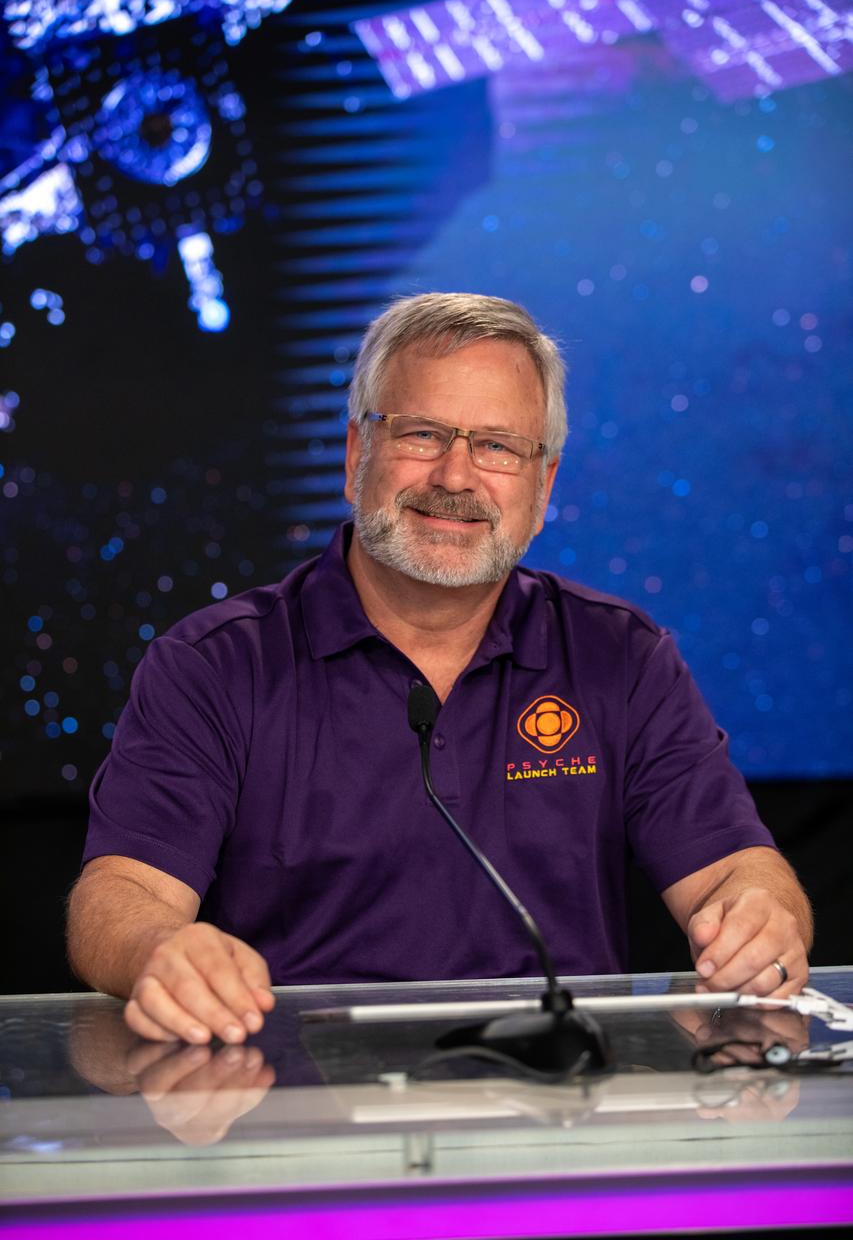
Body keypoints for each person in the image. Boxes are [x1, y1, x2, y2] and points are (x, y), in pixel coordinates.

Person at [67, 292, 812, 1047]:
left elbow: (732, 871)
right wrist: (158, 951)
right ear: (357, 454)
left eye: (497, 446)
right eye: (422, 433)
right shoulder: (215, 664)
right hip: (289, 1111)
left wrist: (759, 912)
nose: (455, 476)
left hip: (556, 1106)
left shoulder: (619, 657)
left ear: (543, 485)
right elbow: (121, 894)